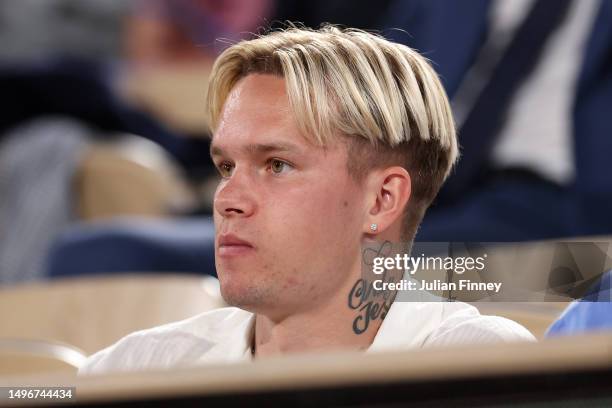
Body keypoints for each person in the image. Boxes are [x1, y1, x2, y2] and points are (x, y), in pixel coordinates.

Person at [79, 26, 533, 375]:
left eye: (276, 165)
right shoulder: (140, 366)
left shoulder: (479, 363)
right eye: (226, 167)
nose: (228, 200)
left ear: (381, 200)